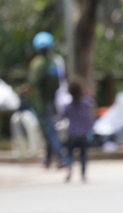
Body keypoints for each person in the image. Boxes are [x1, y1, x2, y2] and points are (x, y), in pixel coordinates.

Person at [26, 31, 65, 168]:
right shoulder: (53, 62)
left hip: (42, 102)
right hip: (53, 100)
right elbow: (59, 82)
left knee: (49, 130)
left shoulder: (38, 63)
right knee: (50, 128)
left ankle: (61, 158)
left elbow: (33, 83)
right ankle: (48, 159)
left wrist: (23, 90)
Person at [61, 80, 94, 182]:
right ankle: (83, 174)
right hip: (83, 133)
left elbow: (63, 116)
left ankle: (69, 167)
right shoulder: (85, 103)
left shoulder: (68, 106)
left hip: (71, 133)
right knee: (83, 154)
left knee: (69, 153)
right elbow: (92, 101)